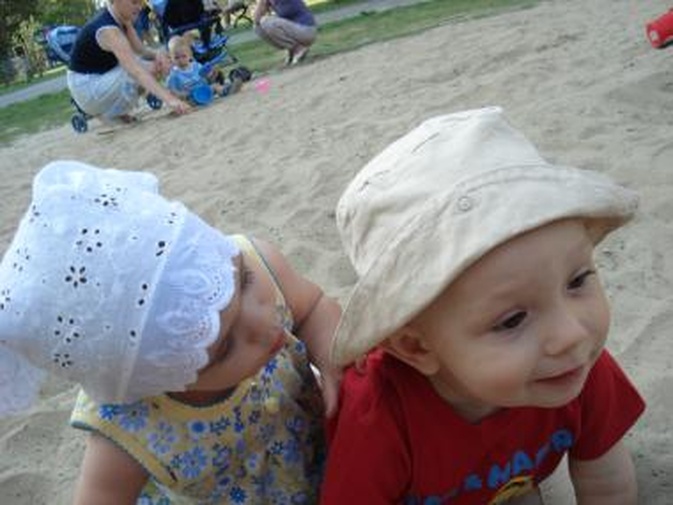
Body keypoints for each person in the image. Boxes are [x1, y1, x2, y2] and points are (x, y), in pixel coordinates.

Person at [321, 107, 646, 504]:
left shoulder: (576, 365)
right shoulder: (380, 416)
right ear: (416, 346)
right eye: (512, 320)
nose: (571, 333)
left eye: (577, 281)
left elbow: (606, 479)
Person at [0, 160, 342, 503]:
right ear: (155, 383)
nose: (265, 324)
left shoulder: (255, 259)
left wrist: (330, 358)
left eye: (244, 281)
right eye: (225, 347)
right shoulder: (130, 424)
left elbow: (313, 308)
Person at [67, 0, 191, 123]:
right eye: (134, 2)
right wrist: (170, 100)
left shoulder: (122, 20)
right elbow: (136, 71)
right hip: (86, 88)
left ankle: (115, 112)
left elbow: (141, 50)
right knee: (145, 69)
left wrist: (159, 55)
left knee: (154, 64)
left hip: (99, 78)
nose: (140, 7)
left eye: (141, 2)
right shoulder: (109, 31)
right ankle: (111, 113)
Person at [166, 34, 242, 101]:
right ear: (171, 58)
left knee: (214, 86)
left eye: (184, 56)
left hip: (204, 91)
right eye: (176, 57)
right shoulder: (174, 75)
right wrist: (185, 95)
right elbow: (173, 92)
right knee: (186, 99)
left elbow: (206, 78)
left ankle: (227, 90)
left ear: (190, 56)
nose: (181, 60)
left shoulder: (196, 66)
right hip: (190, 97)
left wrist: (211, 74)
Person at [253, 0, 317, 66]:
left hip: (306, 30)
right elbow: (256, 19)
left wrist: (263, 4)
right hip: (294, 30)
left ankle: (298, 49)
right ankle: (292, 50)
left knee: (267, 22)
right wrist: (262, 3)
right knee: (258, 27)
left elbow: (286, 12)